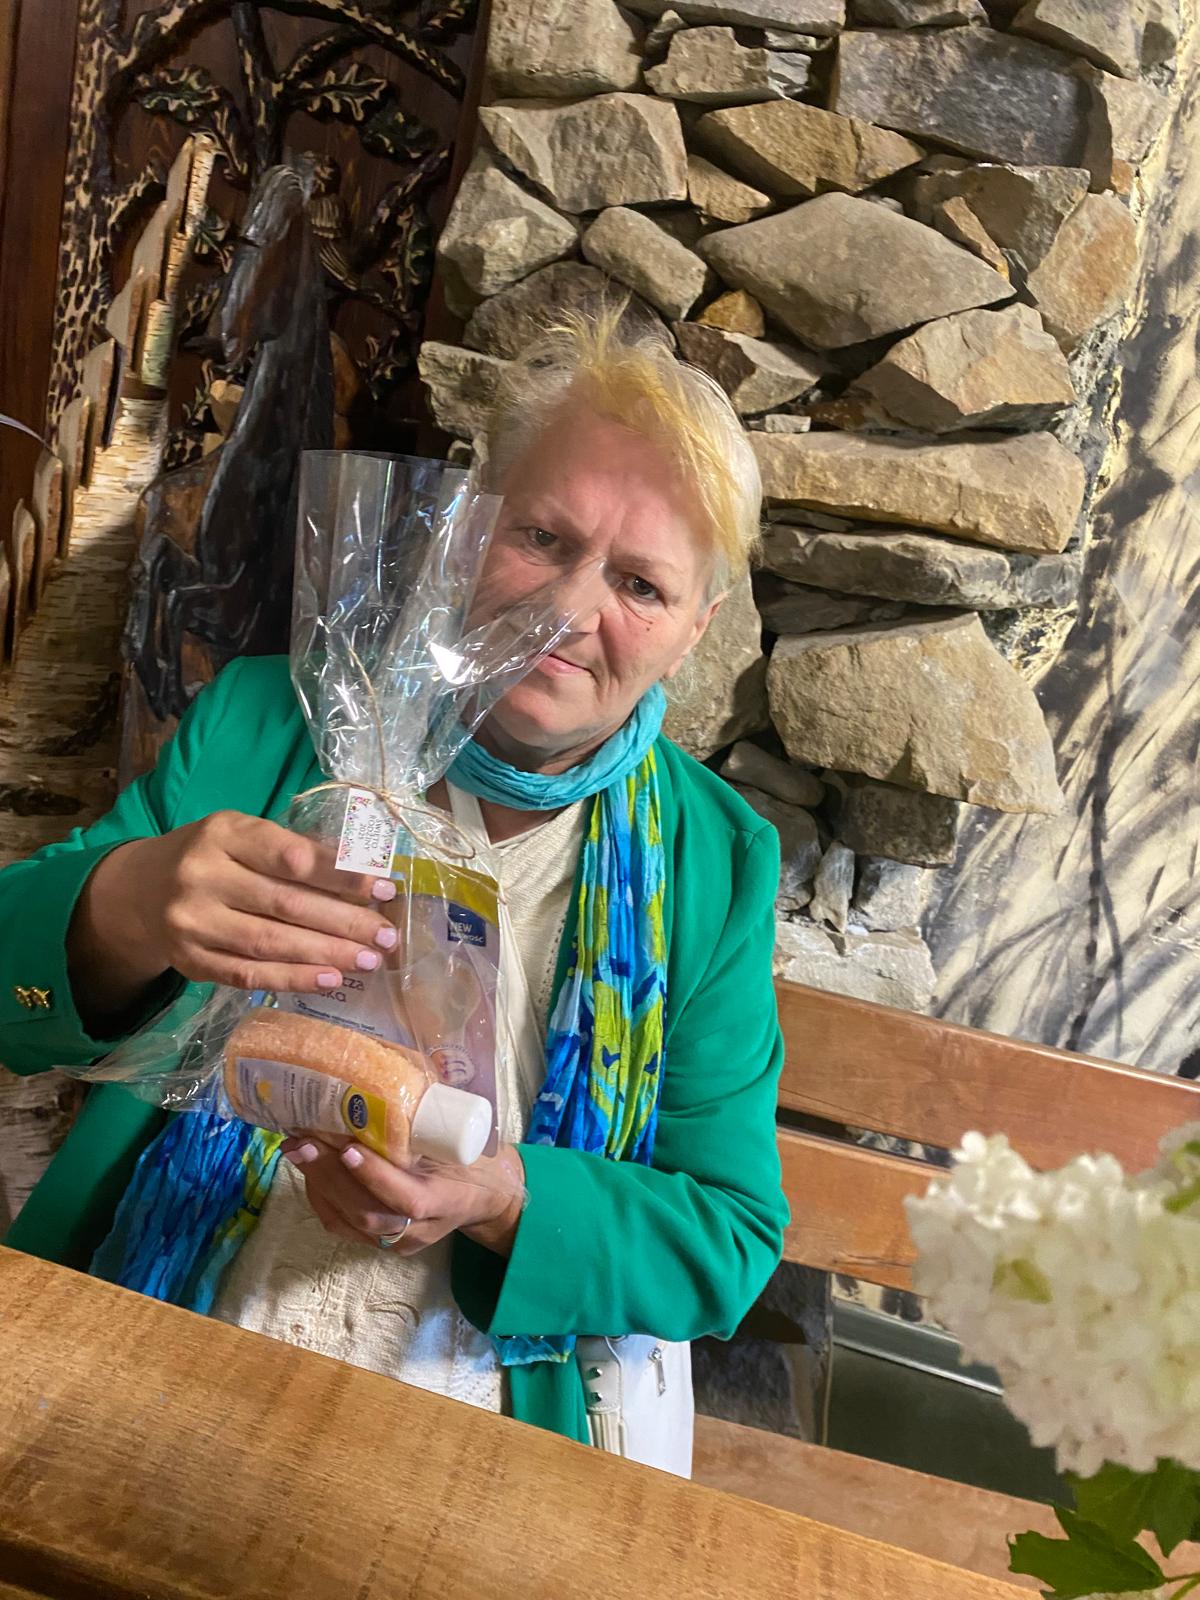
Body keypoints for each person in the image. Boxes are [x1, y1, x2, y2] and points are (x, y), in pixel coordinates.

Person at [0, 313, 788, 1476]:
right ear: (468, 530)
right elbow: (8, 993)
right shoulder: (274, 722)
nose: (572, 613)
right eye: (542, 536)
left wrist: (504, 1198)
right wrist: (130, 902)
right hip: (157, 1334)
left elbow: (729, 1235)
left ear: (693, 635)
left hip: (464, 1423)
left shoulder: (715, 862)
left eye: (640, 584)